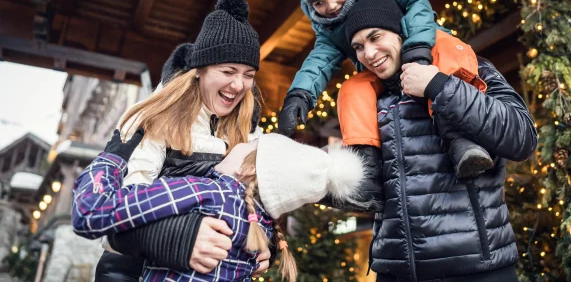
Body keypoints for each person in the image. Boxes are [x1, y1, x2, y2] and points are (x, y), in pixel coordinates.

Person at [343, 0, 538, 281]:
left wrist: (438, 86)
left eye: (375, 37)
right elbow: (361, 191)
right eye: (358, 47)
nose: (369, 53)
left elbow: (522, 137)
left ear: (401, 33)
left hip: (478, 270)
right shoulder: (368, 99)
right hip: (396, 272)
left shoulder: (469, 68)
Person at [93, 0, 270, 281]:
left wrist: (263, 242)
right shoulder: (152, 117)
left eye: (249, 74)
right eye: (228, 71)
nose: (239, 85)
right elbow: (113, 214)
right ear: (199, 70)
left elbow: (256, 205)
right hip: (134, 273)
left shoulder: (249, 131)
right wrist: (180, 238)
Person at [278, 0, 494, 179]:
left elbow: (415, 3)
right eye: (318, 2)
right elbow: (320, 61)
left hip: (422, 47)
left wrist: (417, 50)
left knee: (447, 49)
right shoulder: (327, 28)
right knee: (353, 89)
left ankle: (459, 137)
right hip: (382, 69)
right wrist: (300, 94)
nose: (331, 5)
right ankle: (366, 166)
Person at [72, 130, 365, 281]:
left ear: (249, 169)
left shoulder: (209, 192)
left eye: (250, 144)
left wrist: (112, 159)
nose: (240, 142)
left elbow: (91, 211)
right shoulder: (261, 232)